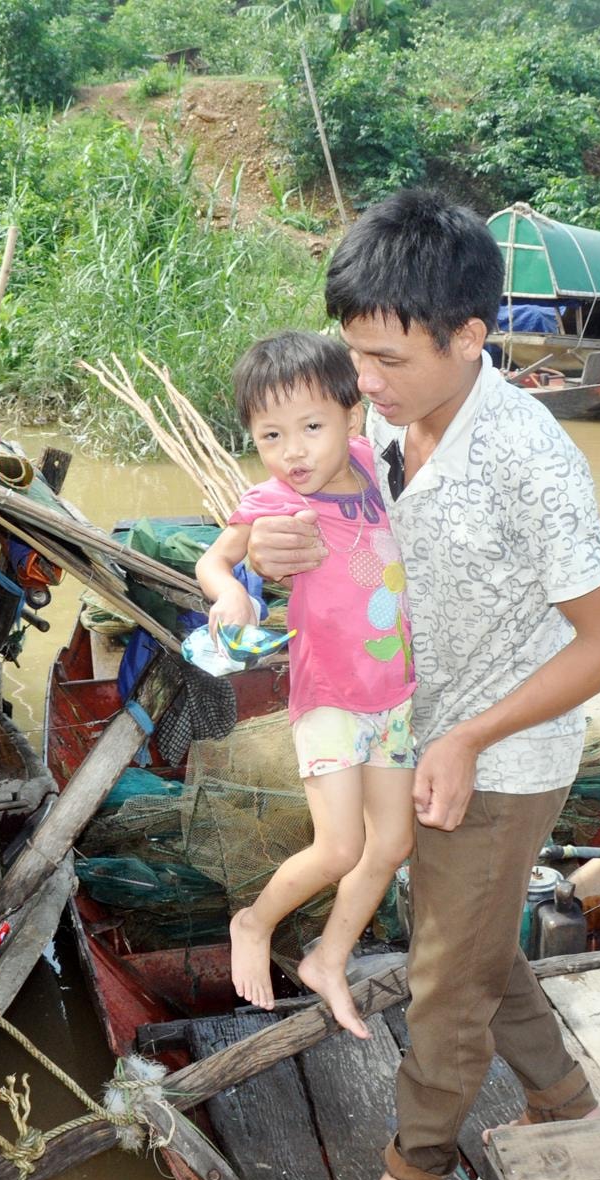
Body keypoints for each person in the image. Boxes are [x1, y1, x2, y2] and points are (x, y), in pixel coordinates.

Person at [245, 191, 600, 1180]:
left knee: (442, 971)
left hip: (499, 750)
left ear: (470, 337)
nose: (362, 385)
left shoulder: (531, 460)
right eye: (352, 356)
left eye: (387, 362)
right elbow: (305, 505)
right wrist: (262, 552)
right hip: (404, 729)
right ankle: (560, 1093)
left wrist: (467, 737)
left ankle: (412, 1166)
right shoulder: (369, 414)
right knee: (469, 939)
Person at [195, 331, 417, 1041]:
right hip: (329, 700)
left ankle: (329, 955)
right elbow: (215, 562)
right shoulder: (272, 498)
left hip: (396, 697)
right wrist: (231, 595)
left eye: (311, 427)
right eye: (271, 435)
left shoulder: (371, 462)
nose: (294, 450)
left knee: (392, 844)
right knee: (340, 848)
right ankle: (253, 922)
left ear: (352, 418)